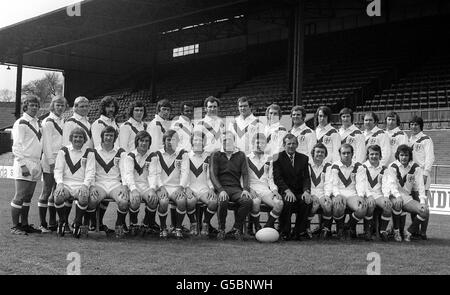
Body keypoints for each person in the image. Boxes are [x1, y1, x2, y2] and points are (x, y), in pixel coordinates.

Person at [85, 126, 129, 238]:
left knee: (124, 202)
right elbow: (90, 171)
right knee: (92, 200)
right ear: (102, 137)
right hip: (99, 184)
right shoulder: (93, 151)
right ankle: (93, 225)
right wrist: (92, 186)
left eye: (111, 136)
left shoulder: (121, 152)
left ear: (115, 138)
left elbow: (124, 171)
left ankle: (119, 225)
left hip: (115, 184)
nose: (109, 138)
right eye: (106, 135)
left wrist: (124, 186)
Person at [210, 131, 252, 240]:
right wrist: (220, 190)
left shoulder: (241, 154)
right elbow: (213, 175)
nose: (226, 142)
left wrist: (246, 189)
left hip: (235, 188)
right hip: (221, 188)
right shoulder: (216, 154)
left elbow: (246, 174)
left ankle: (236, 229)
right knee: (223, 200)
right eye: (224, 140)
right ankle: (221, 229)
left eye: (229, 139)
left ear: (234, 141)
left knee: (247, 201)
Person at [10, 95, 43, 235]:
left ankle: (24, 224)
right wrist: (23, 165)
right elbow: (16, 146)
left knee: (28, 197)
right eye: (31, 105)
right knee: (20, 195)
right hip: (24, 161)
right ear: (25, 106)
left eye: (36, 105)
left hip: (36, 162)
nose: (34, 107)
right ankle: (15, 226)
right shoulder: (21, 122)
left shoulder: (37, 122)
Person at [385, 144, 430, 242]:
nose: (404, 157)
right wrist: (397, 196)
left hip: (406, 197)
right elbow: (391, 184)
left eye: (406, 155)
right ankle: (396, 231)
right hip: (393, 195)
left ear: (410, 156)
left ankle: (408, 232)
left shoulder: (416, 167)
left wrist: (422, 201)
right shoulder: (392, 166)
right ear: (398, 155)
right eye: (401, 155)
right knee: (397, 203)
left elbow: (420, 186)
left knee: (424, 211)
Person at [53, 128, 92, 238]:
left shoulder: (89, 152)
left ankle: (77, 223)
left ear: (84, 139)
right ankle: (62, 221)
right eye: (75, 137)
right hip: (65, 184)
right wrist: (59, 184)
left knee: (84, 198)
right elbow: (58, 170)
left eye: (80, 137)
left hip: (81, 184)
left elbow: (90, 171)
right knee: (57, 197)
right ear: (71, 138)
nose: (78, 139)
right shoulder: (64, 151)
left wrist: (85, 185)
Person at [153, 130, 191, 239]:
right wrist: (160, 187)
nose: (170, 142)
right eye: (168, 139)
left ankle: (177, 228)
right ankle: (163, 228)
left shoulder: (183, 153)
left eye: (173, 139)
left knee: (182, 201)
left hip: (176, 187)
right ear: (164, 141)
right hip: (162, 187)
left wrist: (181, 187)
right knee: (163, 202)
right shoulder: (157, 154)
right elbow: (156, 173)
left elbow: (185, 172)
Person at [273, 133, 312, 241]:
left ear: (297, 145)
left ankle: (298, 232)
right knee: (288, 201)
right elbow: (278, 178)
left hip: (299, 191)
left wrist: (306, 191)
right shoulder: (277, 158)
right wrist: (287, 191)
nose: (291, 146)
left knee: (306, 201)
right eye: (289, 143)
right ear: (284, 145)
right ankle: (285, 232)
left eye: (294, 143)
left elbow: (306, 178)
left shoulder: (303, 158)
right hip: (285, 190)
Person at [38, 95, 67, 233]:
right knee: (46, 191)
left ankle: (51, 222)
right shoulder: (48, 121)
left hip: (61, 159)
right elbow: (46, 144)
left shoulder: (63, 121)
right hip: (50, 159)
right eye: (58, 105)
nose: (60, 108)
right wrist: (50, 162)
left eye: (62, 105)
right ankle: (42, 224)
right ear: (53, 106)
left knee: (56, 192)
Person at [247, 133, 284, 235]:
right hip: (252, 189)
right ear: (252, 143)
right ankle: (257, 227)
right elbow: (243, 178)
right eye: (257, 142)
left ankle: (268, 226)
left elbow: (270, 179)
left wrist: (275, 191)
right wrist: (249, 189)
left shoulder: (269, 159)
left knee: (279, 203)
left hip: (265, 190)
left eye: (263, 143)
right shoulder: (246, 158)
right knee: (255, 203)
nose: (260, 145)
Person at [123, 131, 159, 236]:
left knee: (153, 200)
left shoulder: (153, 156)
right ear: (137, 141)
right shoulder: (130, 156)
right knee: (135, 200)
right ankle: (133, 224)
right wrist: (133, 190)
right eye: (141, 140)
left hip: (146, 186)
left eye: (147, 141)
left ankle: (146, 224)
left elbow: (153, 175)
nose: (144, 143)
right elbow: (128, 175)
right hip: (133, 186)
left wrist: (152, 189)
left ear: (150, 143)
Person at [331, 144, 368, 240]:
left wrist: (360, 196)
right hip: (339, 193)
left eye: (348, 153)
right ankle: (340, 229)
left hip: (352, 194)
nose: (346, 155)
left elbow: (361, 183)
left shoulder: (359, 166)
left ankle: (347, 227)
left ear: (352, 154)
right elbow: (333, 184)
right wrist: (337, 195)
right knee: (338, 206)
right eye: (344, 153)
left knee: (362, 207)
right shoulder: (335, 166)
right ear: (340, 154)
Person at [185, 131, 218, 237]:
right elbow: (184, 175)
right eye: (195, 139)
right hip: (191, 188)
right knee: (190, 202)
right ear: (191, 141)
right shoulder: (186, 156)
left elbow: (210, 175)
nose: (198, 142)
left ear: (204, 142)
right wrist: (186, 188)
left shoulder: (208, 157)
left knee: (213, 202)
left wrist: (211, 188)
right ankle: (193, 224)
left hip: (204, 189)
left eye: (201, 140)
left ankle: (205, 224)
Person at [409, 115, 434, 239]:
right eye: (412, 124)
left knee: (423, 204)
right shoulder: (410, 140)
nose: (413, 127)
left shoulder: (426, 139)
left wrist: (425, 174)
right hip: (412, 176)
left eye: (416, 124)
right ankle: (415, 231)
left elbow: (430, 158)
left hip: (422, 175)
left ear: (420, 126)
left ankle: (423, 232)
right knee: (415, 204)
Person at [362, 145, 392, 241]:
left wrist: (386, 197)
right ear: (368, 155)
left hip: (379, 195)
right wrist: (369, 196)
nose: (374, 156)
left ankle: (382, 231)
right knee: (370, 205)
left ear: (380, 155)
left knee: (388, 206)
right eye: (372, 154)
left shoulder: (384, 169)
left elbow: (386, 185)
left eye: (376, 154)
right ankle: (367, 230)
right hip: (366, 194)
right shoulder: (362, 167)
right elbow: (362, 185)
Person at [307, 143, 333, 239]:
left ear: (325, 154)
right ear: (313, 153)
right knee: (314, 204)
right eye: (317, 152)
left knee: (327, 204)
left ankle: (325, 228)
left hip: (322, 193)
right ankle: (307, 226)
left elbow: (328, 182)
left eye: (322, 152)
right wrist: (310, 194)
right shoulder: (307, 164)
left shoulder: (328, 166)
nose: (320, 154)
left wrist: (326, 195)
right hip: (311, 192)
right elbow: (305, 181)